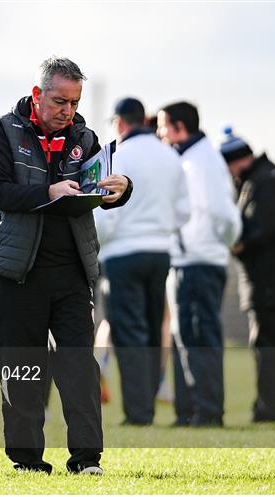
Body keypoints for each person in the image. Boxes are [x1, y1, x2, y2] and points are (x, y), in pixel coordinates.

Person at [0, 57, 132, 475]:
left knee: (80, 367)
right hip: (17, 273)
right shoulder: (2, 131)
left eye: (75, 101)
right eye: (60, 101)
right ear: (36, 95)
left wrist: (121, 189)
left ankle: (86, 460)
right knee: (24, 371)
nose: (68, 110)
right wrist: (48, 192)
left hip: (71, 273)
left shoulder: (86, 136)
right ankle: (27, 461)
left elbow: (100, 185)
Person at [94, 97, 189, 425]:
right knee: (152, 332)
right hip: (160, 253)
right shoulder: (170, 156)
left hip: (121, 254)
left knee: (129, 333)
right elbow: (184, 212)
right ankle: (146, 406)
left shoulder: (116, 156)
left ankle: (138, 413)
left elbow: (106, 214)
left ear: (119, 123)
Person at [157, 102, 241, 427]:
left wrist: (215, 246)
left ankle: (207, 412)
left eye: (164, 126)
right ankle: (189, 410)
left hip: (198, 261)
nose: (160, 133)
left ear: (179, 127)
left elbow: (222, 214)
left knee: (199, 337)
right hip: (191, 259)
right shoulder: (194, 158)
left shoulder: (200, 162)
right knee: (185, 337)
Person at [220, 127, 275, 422]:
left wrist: (233, 244)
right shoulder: (268, 176)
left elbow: (260, 228)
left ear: (236, 161)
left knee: (268, 346)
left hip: (270, 280)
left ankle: (268, 411)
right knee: (272, 345)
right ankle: (269, 408)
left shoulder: (262, 181)